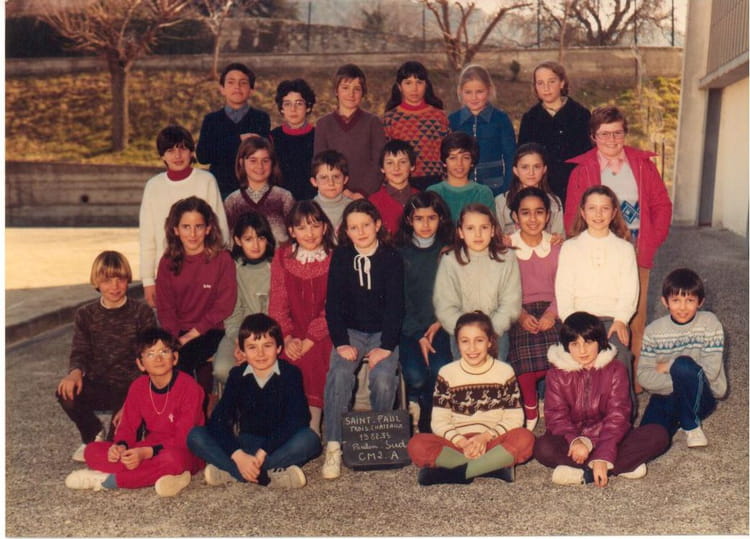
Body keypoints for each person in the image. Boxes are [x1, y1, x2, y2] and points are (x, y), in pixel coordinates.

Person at [565, 105, 673, 392]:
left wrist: (652, 240)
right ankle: (595, 380)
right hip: (597, 250)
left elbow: (662, 204)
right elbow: (572, 213)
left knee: (634, 315)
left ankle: (631, 381)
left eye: (617, 133)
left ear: (625, 133)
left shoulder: (642, 165)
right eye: (604, 134)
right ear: (593, 136)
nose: (611, 140)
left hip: (635, 249)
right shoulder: (583, 169)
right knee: (596, 311)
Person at [64, 328, 205, 497]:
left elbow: (183, 438)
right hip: (148, 447)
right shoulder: (138, 386)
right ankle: (162, 475)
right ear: (140, 364)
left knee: (172, 460)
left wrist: (146, 452)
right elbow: (128, 427)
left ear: (174, 358)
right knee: (91, 451)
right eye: (150, 354)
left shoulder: (189, 387)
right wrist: (120, 446)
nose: (158, 358)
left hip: (183, 450)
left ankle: (109, 480)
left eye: (164, 352)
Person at [534, 312, 669, 487]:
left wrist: (603, 455)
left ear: (600, 342)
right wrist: (576, 441)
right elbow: (556, 417)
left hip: (612, 438)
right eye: (575, 344)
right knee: (542, 447)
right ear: (567, 346)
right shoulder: (556, 374)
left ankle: (588, 473)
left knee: (658, 434)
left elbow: (618, 417)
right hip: (574, 442)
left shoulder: (615, 369)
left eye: (588, 342)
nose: (582, 351)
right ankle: (620, 466)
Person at [187, 313, 321, 489]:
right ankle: (267, 477)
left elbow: (299, 418)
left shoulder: (290, 373)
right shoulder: (237, 375)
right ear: (242, 351)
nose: (260, 353)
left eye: (267, 346)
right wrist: (238, 455)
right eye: (252, 347)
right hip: (247, 444)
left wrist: (263, 452)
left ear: (279, 348)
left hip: (278, 445)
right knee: (195, 435)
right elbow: (219, 419)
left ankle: (232, 472)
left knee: (310, 440)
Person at [321, 199, 404, 480]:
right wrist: (341, 342)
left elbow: (396, 306)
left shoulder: (391, 257)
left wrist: (387, 346)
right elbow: (332, 305)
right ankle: (334, 445)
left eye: (366, 225)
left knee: (383, 378)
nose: (361, 232)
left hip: (382, 332)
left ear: (377, 225)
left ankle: (380, 441)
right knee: (340, 375)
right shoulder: (342, 257)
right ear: (346, 231)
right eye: (354, 227)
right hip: (351, 332)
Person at [407, 311, 535, 485]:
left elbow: (515, 418)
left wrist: (485, 437)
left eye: (479, 340)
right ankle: (492, 466)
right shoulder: (447, 373)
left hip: (492, 441)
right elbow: (439, 421)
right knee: (416, 444)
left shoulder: (504, 371)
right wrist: (462, 442)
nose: (472, 348)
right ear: (457, 343)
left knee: (525, 438)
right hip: (457, 444)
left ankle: (458, 471)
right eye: (465, 341)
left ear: (490, 341)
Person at [57, 251, 156, 462]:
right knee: (66, 392)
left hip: (131, 388)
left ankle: (126, 432)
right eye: (107, 280)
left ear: (128, 279)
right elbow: (80, 351)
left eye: (120, 279)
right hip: (100, 384)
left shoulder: (142, 313)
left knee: (116, 450)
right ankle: (92, 434)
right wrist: (75, 373)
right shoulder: (85, 314)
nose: (114, 286)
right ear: (96, 282)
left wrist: (132, 403)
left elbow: (149, 358)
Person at [555, 185, 639, 412]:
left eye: (605, 208)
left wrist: (621, 320)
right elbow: (563, 289)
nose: (598, 214)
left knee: (619, 356)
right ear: (583, 212)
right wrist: (572, 322)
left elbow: (630, 290)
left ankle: (623, 414)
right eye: (592, 208)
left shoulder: (624, 249)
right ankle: (579, 413)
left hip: (612, 319)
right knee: (572, 360)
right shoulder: (570, 247)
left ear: (614, 213)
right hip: (578, 319)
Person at [156, 196, 237, 408]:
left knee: (186, 361)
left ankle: (198, 411)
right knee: (162, 360)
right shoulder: (167, 262)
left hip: (211, 329)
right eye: (186, 227)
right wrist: (174, 337)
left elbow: (224, 305)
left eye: (198, 227)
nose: (192, 234)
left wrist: (191, 335)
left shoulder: (222, 259)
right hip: (177, 331)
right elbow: (165, 308)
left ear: (208, 229)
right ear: (175, 230)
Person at [139, 124, 230, 308]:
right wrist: (148, 280)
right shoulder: (154, 186)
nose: (178, 156)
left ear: (191, 151)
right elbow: (147, 237)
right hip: (168, 272)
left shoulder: (206, 180)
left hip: (204, 270)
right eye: (170, 151)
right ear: (162, 155)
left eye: (182, 149)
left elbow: (221, 230)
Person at [638, 268, 726, 448]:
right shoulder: (653, 331)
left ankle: (690, 424)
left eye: (690, 300)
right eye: (676, 300)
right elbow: (644, 376)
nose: (683, 307)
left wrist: (670, 366)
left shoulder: (710, 323)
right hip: (667, 394)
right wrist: (681, 382)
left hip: (704, 394)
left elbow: (710, 372)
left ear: (700, 302)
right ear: (665, 301)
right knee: (649, 434)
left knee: (682, 364)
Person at [269, 201, 335, 435]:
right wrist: (286, 337)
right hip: (292, 330)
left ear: (324, 228)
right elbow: (278, 302)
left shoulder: (335, 257)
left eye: (315, 226)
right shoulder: (282, 257)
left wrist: (309, 340)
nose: (309, 233)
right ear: (291, 231)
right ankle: (286, 424)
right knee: (281, 356)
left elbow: (334, 307)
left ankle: (311, 427)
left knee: (312, 357)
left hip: (326, 331)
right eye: (302, 227)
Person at [395, 191, 454, 433]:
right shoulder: (399, 253)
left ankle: (430, 417)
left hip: (441, 325)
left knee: (440, 370)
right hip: (409, 328)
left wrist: (439, 323)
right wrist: (419, 335)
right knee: (416, 376)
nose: (426, 224)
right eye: (419, 218)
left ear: (441, 219)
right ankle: (417, 399)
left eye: (432, 218)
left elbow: (454, 295)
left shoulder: (448, 251)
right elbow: (398, 301)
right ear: (409, 220)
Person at [433, 203, 521, 361]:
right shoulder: (450, 261)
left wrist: (489, 332)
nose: (478, 234)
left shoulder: (507, 258)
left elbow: (511, 303)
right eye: (470, 228)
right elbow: (445, 306)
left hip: (495, 332)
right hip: (462, 334)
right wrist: (468, 334)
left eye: (484, 228)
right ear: (461, 232)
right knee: (466, 373)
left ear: (492, 230)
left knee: (495, 372)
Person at [506, 188, 562, 431]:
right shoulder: (507, 248)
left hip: (552, 310)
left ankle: (554, 407)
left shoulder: (557, 246)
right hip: (520, 310)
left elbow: (565, 287)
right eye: (525, 213)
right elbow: (503, 290)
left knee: (559, 360)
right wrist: (520, 315)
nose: (532, 219)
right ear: (515, 217)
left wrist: (552, 314)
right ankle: (530, 408)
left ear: (547, 216)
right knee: (522, 361)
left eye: (539, 212)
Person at [212, 212, 275, 387]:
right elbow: (232, 314)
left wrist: (256, 347)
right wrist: (241, 343)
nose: (256, 245)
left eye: (261, 238)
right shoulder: (231, 268)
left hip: (271, 334)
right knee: (223, 369)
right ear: (238, 241)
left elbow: (278, 311)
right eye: (248, 239)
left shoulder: (275, 266)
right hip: (238, 333)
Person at [518, 61, 592, 204]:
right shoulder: (530, 118)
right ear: (535, 87)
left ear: (562, 83)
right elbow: (523, 156)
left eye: (551, 81)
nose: (546, 88)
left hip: (574, 185)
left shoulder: (580, 114)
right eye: (540, 83)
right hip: (543, 188)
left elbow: (588, 155)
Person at [196, 62, 271, 199]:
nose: (237, 87)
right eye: (231, 82)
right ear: (222, 89)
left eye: (243, 83)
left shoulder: (260, 118)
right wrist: (238, 140)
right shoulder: (211, 120)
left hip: (252, 190)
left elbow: (261, 153)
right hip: (220, 190)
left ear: (251, 90)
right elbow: (203, 156)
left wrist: (222, 146)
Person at [313, 63, 386, 197]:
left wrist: (362, 192)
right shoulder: (323, 124)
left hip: (367, 194)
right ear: (336, 90)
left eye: (357, 89)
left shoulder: (373, 122)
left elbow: (379, 162)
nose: (351, 94)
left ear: (363, 92)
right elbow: (321, 164)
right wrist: (342, 190)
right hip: (334, 192)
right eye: (345, 88)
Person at [448, 64, 516, 196]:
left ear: (489, 90)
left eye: (479, 92)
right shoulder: (453, 120)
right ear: (460, 92)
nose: (474, 97)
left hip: (495, 188)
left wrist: (507, 189)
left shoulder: (500, 119)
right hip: (462, 187)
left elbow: (510, 156)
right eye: (468, 92)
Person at [382, 61, 450, 191]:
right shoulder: (390, 118)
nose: (414, 88)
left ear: (426, 85)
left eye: (419, 82)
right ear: (399, 87)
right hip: (402, 182)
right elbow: (385, 156)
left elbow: (447, 153)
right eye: (408, 83)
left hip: (435, 181)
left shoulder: (439, 116)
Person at [223, 136, 294, 245]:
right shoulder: (232, 202)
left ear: (272, 163)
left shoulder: (284, 198)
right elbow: (227, 243)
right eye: (253, 160)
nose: (260, 166)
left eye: (265, 161)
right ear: (241, 162)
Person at [494, 142, 564, 240]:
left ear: (544, 169)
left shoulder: (554, 202)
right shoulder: (501, 202)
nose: (531, 172)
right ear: (515, 170)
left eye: (537, 167)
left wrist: (557, 239)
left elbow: (559, 236)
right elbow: (496, 238)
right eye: (525, 167)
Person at [426, 132, 496, 223]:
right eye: (453, 158)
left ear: (472, 162)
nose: (459, 163)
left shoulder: (483, 193)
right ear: (444, 162)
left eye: (465, 158)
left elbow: (490, 226)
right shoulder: (434, 192)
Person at [270, 78, 317, 202]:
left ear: (308, 107)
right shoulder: (273, 137)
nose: (293, 109)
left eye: (299, 103)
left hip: (311, 202)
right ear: (281, 108)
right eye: (287, 104)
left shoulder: (318, 136)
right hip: (281, 201)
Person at [368, 139, 419, 235]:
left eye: (402, 162)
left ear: (412, 166)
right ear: (382, 168)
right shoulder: (374, 201)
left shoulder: (421, 198)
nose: (396, 168)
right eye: (390, 163)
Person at [310, 149, 354, 234]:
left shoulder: (353, 208)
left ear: (345, 179)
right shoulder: (309, 209)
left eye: (336, 177)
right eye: (324, 177)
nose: (331, 183)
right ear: (314, 182)